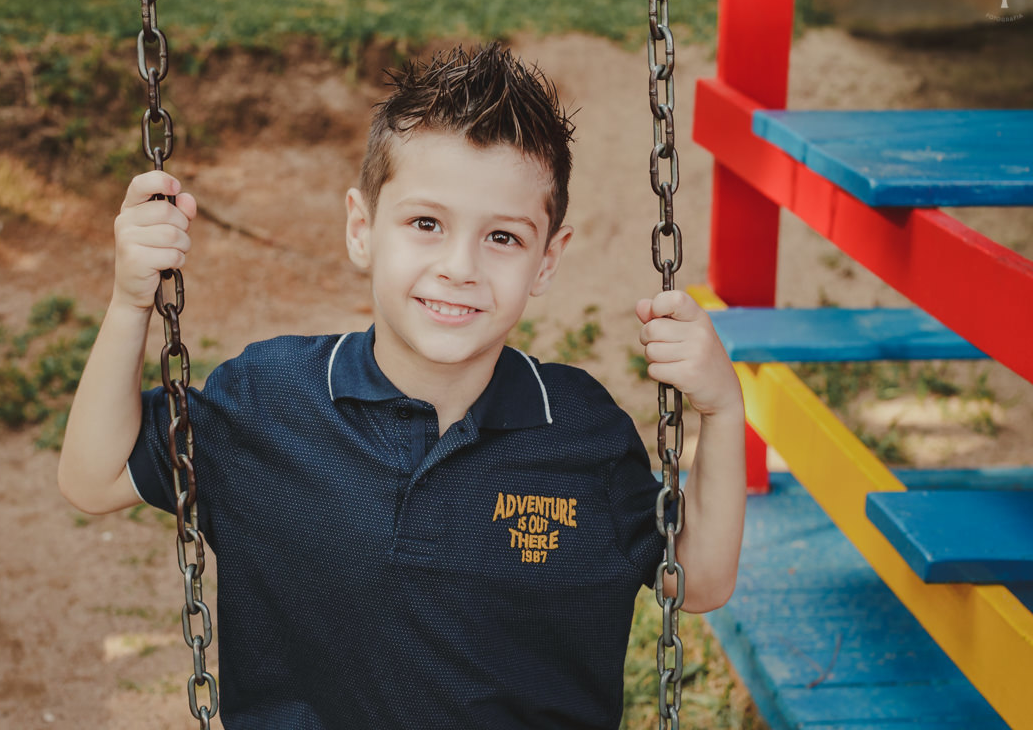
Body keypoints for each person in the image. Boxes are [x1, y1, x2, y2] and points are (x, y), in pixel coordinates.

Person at [57, 43, 745, 729]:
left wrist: (721, 407)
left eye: (502, 237)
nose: (459, 266)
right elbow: (98, 477)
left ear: (546, 260)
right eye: (426, 224)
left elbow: (700, 580)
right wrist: (128, 304)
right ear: (363, 229)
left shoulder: (579, 431)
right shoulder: (268, 402)